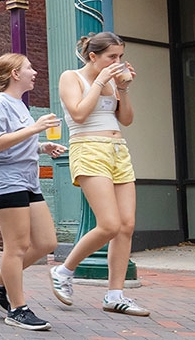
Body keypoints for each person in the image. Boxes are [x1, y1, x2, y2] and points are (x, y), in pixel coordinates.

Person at [51, 31, 149, 317]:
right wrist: (103, 81)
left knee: (126, 225)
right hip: (89, 147)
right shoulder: (72, 77)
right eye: (111, 57)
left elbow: (127, 120)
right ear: (93, 56)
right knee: (108, 224)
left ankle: (115, 295)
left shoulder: (113, 82)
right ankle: (64, 270)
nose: (118, 62)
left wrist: (124, 89)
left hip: (118, 149)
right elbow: (79, 113)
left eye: (120, 56)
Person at [0, 53, 66, 331]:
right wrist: (35, 129)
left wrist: (42, 146)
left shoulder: (18, 104)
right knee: (17, 247)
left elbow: (16, 142)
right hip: (5, 182)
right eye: (29, 68)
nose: (34, 72)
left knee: (47, 242)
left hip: (26, 181)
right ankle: (17, 309)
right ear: (15, 74)